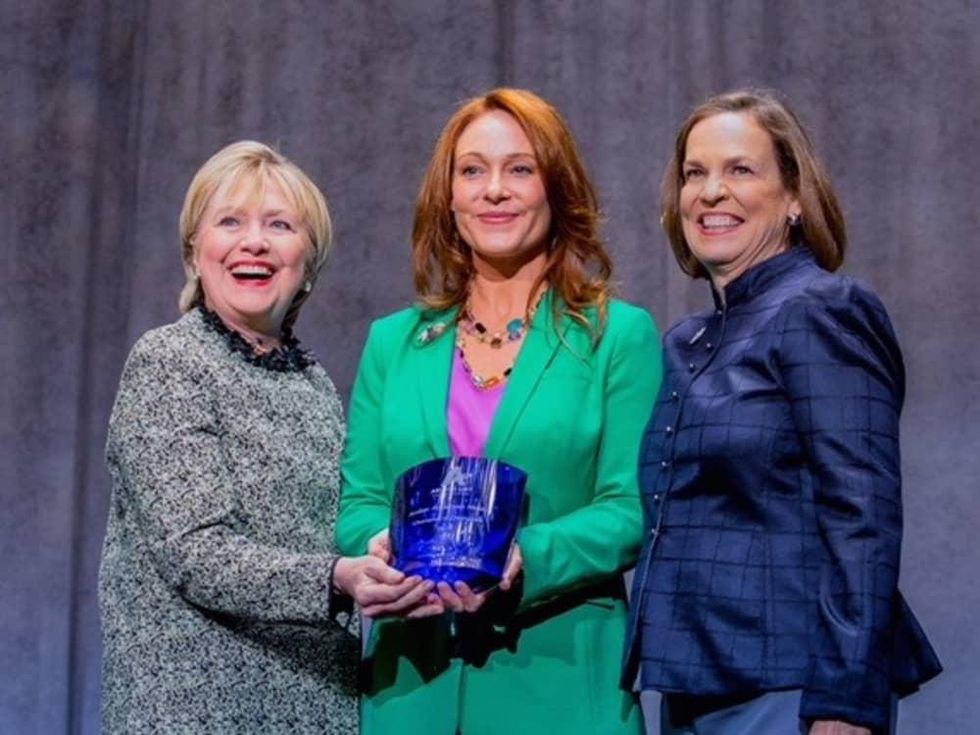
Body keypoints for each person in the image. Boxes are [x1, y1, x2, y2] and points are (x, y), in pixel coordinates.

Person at [336, 88, 662, 734]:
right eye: (473, 170)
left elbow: (631, 509)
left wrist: (524, 558)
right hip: (409, 693)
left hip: (561, 689)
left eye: (520, 168)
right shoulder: (391, 343)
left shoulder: (617, 337)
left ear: (556, 188)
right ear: (449, 196)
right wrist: (374, 549)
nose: (495, 190)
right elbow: (360, 501)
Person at [622, 89, 942, 735]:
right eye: (695, 172)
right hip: (693, 683)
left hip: (795, 686)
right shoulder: (688, 342)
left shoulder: (822, 308)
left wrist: (846, 697)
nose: (711, 191)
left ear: (795, 197)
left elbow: (864, 517)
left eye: (740, 169)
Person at [98, 140, 431, 733]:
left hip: (316, 704)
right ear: (195, 251)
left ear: (308, 262)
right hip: (197, 711)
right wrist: (337, 578)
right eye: (230, 221)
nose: (254, 241)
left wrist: (381, 552)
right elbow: (196, 551)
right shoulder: (169, 362)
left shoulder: (312, 382)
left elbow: (331, 526)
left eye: (279, 225)